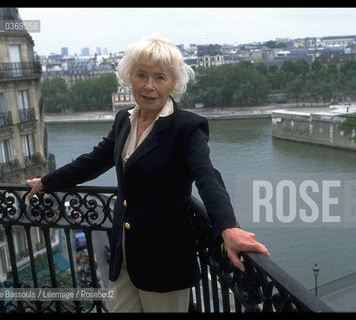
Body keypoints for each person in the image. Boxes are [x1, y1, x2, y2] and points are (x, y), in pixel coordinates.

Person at [26, 34, 269, 312]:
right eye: (141, 75)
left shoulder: (186, 128)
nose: (149, 86)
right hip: (124, 253)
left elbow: (207, 177)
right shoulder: (124, 121)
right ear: (130, 77)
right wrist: (47, 182)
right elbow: (94, 161)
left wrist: (227, 228)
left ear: (173, 84)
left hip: (164, 259)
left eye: (160, 78)